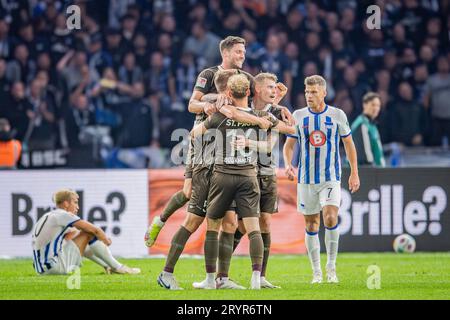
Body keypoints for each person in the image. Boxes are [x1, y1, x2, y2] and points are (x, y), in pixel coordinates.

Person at [144, 36, 276, 247]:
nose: (243, 55)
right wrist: (209, 102)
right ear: (225, 53)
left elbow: (258, 105)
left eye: (244, 51)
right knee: (188, 193)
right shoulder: (208, 74)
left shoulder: (248, 78)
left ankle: (219, 273)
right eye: (238, 52)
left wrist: (277, 105)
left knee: (229, 220)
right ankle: (160, 221)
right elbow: (192, 104)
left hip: (230, 148)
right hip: (204, 142)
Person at [190, 74, 295, 290]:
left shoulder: (226, 115)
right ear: (251, 91)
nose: (274, 90)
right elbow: (287, 130)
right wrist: (267, 122)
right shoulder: (255, 115)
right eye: (269, 87)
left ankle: (222, 279)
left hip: (241, 175)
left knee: (227, 225)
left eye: (275, 88)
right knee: (246, 227)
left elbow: (194, 133)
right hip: (248, 175)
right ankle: (241, 277)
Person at [283, 75, 360, 284]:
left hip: (330, 177)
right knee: (311, 224)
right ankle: (316, 272)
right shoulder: (298, 116)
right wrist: (288, 164)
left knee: (330, 218)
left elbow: (349, 144)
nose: (309, 95)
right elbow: (289, 146)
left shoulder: (337, 115)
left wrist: (354, 172)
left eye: (314, 92)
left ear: (324, 93)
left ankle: (331, 267)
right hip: (306, 179)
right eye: (307, 92)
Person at [31, 189, 140, 275]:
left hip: (41, 269)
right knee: (88, 233)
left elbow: (75, 240)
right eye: (75, 202)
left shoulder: (49, 216)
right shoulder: (63, 215)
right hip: (53, 268)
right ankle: (119, 268)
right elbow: (94, 230)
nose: (77, 207)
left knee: (82, 239)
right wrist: (106, 240)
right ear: (65, 204)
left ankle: (109, 266)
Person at [351, 92, 386, 167]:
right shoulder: (362, 124)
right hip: (367, 173)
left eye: (378, 106)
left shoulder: (371, 124)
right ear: (365, 105)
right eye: (373, 105)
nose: (376, 108)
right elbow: (365, 158)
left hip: (375, 172)